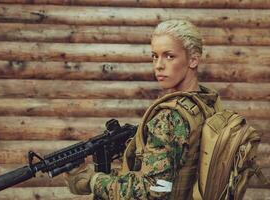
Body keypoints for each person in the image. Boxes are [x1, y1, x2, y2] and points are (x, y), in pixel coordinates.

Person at [64, 19, 221, 200]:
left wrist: (94, 181)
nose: (158, 65)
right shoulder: (207, 101)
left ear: (193, 60)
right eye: (155, 56)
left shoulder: (169, 118)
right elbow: (173, 176)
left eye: (169, 56)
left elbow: (154, 191)